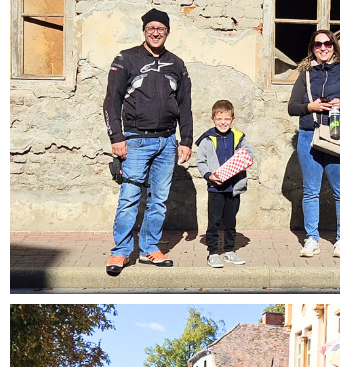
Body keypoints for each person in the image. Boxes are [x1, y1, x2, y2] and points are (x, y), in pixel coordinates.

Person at [101, 8, 192, 276]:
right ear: (144, 31)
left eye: (161, 29)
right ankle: (120, 252)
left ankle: (150, 248)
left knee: (159, 200)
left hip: (167, 142)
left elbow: (185, 105)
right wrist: (116, 137)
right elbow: (111, 101)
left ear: (167, 32)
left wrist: (185, 139)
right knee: (129, 197)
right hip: (135, 141)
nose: (155, 33)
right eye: (151, 28)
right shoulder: (126, 59)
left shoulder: (177, 64)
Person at [287, 29, 340, 259]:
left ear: (334, 46)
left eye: (328, 44)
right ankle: (311, 239)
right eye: (318, 44)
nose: (323, 48)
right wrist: (309, 108)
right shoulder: (306, 74)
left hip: (335, 136)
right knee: (311, 191)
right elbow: (292, 107)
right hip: (308, 137)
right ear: (312, 48)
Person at [195, 99, 255, 268]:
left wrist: (244, 160)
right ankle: (213, 253)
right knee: (213, 222)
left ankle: (229, 251)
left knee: (230, 221)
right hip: (216, 188)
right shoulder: (207, 139)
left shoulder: (238, 137)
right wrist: (209, 175)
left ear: (233, 119)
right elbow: (201, 162)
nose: (223, 122)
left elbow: (249, 154)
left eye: (227, 119)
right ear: (213, 119)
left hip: (233, 188)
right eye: (219, 119)